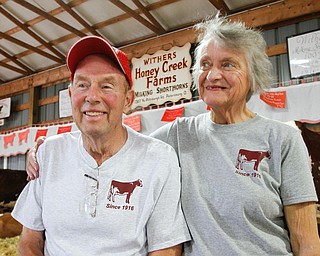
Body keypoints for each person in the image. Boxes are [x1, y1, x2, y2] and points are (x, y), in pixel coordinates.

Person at [26, 15, 320, 255]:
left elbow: (306, 241)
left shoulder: (282, 139)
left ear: (253, 74)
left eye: (227, 64)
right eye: (205, 64)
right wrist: (44, 148)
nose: (213, 74)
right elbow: (119, 140)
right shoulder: (176, 135)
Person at [12, 35, 190, 255]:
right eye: (82, 85)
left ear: (128, 100)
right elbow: (30, 239)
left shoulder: (159, 158)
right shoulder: (49, 153)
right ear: (70, 95)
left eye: (106, 86)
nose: (92, 96)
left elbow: (166, 248)